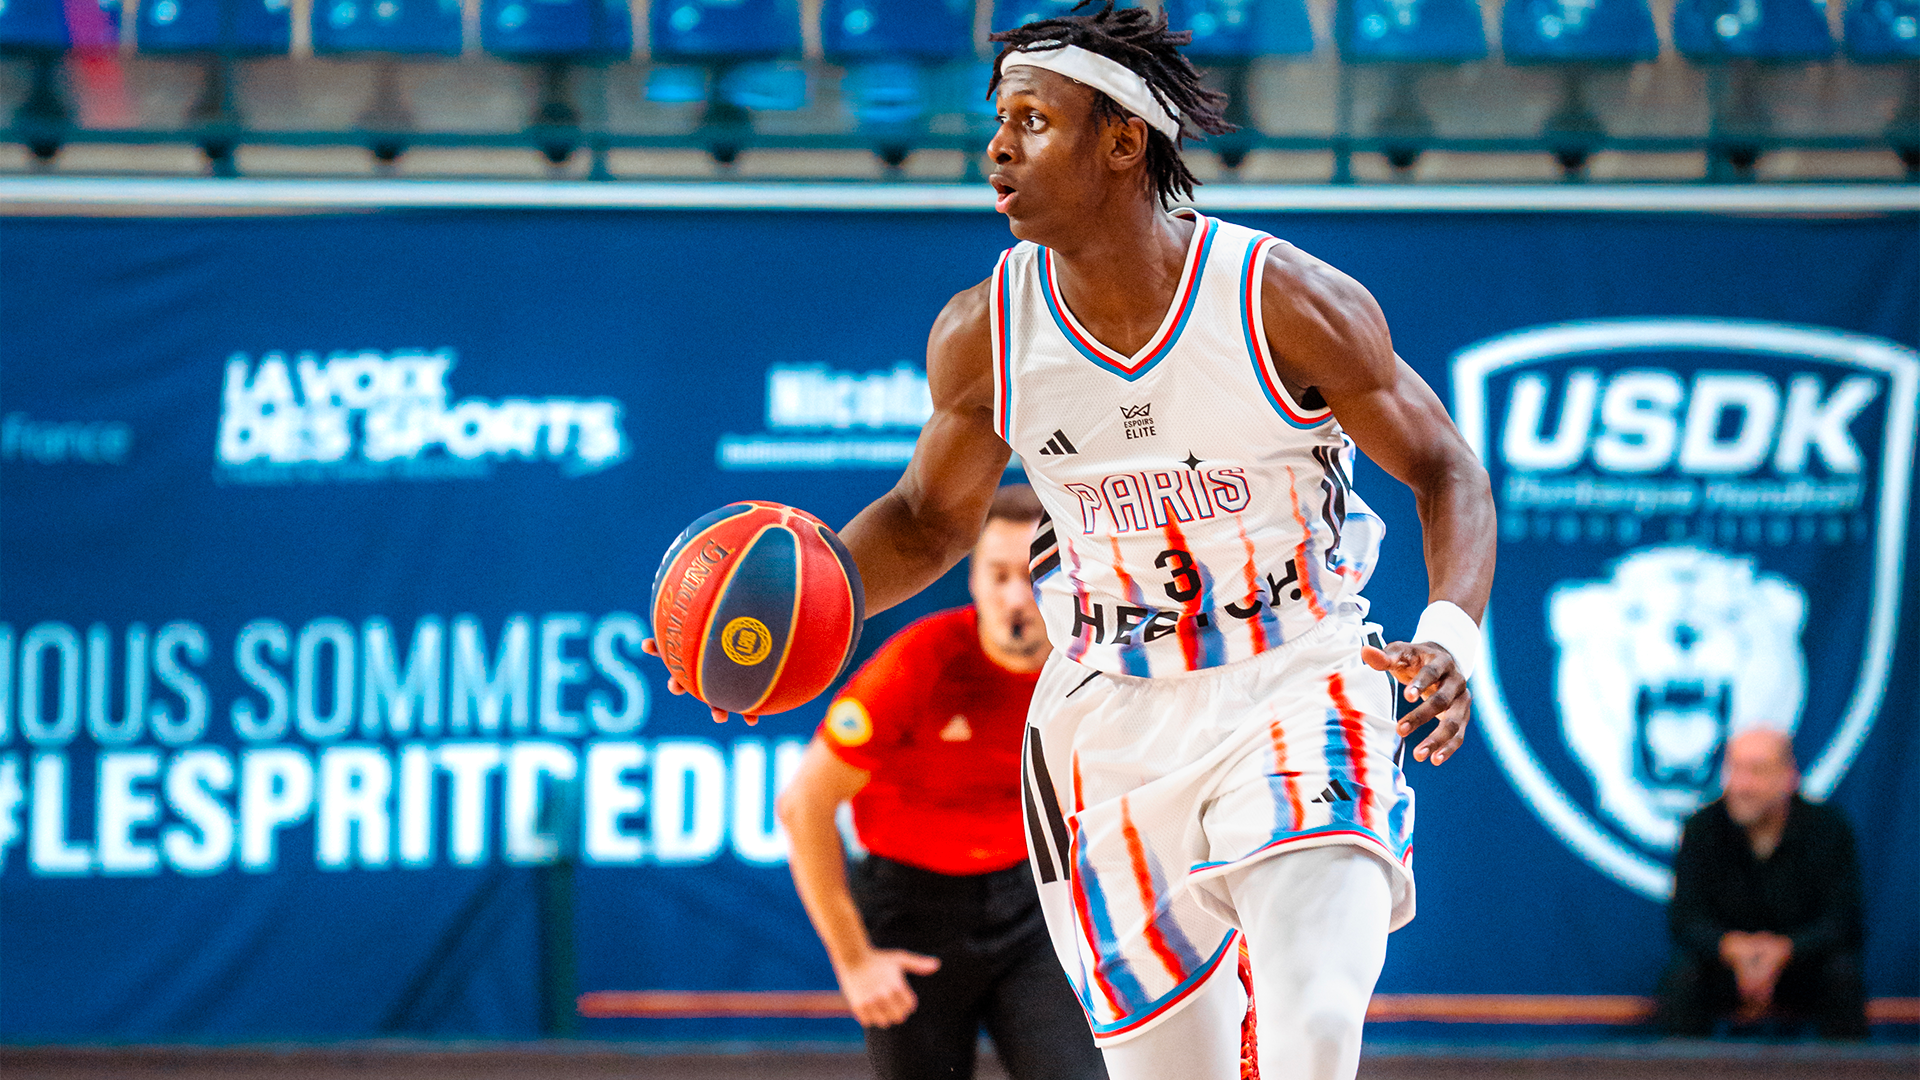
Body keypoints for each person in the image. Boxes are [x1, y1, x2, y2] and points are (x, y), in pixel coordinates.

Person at [655, 5, 1495, 1077]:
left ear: (1123, 140)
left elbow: (1447, 469)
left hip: (1300, 676)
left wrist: (1450, 634)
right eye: (997, 122)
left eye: (1033, 120)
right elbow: (927, 520)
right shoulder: (987, 331)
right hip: (1110, 718)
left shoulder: (1280, 299)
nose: (998, 149)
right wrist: (780, 619)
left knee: (1315, 1019)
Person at [775, 484, 1106, 1080]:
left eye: (1035, 576)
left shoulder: (1092, 671)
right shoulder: (918, 664)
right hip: (911, 911)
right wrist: (855, 962)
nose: (1016, 598)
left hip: (1031, 903)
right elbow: (804, 804)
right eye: (998, 575)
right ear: (972, 578)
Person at [1656, 728, 1869, 1040]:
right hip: (1724, 971)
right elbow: (1685, 920)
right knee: (1684, 974)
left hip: (1801, 969)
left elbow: (1843, 922)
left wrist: (1784, 951)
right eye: (1735, 769)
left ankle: (1849, 1066)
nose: (1741, 785)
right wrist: (1734, 949)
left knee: (1841, 974)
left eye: (1756, 771)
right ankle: (1681, 1065)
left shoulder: (1828, 829)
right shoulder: (1702, 828)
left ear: (1789, 777)